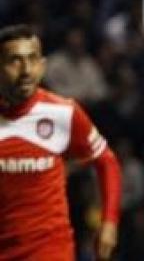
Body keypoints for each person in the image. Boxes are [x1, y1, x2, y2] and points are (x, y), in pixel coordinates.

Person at [0, 24, 122, 261]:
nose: (26, 70)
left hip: (51, 251)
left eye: (32, 59)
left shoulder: (63, 113)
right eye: (15, 61)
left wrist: (109, 222)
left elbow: (107, 162)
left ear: (43, 66)